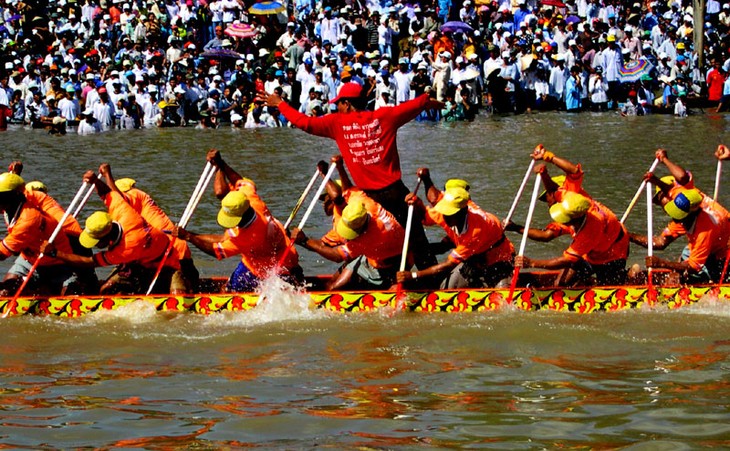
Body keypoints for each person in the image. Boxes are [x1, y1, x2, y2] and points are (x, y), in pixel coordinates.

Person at [266, 81, 442, 272]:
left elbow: (305, 123)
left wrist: (280, 104)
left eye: (339, 103)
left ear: (348, 103)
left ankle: (413, 277)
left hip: (368, 197)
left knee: (382, 238)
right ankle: (428, 278)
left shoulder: (336, 123)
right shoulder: (385, 116)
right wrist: (428, 101)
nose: (337, 107)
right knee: (416, 239)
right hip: (395, 193)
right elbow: (416, 104)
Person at [42, 165, 186, 295]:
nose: (96, 246)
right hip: (139, 263)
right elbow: (106, 193)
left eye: (96, 241)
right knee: (107, 290)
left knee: (177, 296)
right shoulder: (123, 212)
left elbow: (87, 261)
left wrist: (55, 253)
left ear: (106, 237)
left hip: (169, 262)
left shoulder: (123, 251)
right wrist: (96, 181)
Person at [175, 152, 304, 292]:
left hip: (273, 268)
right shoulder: (250, 199)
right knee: (226, 287)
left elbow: (216, 251)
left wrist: (188, 237)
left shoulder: (245, 237)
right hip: (278, 254)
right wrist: (221, 164)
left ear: (240, 217)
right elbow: (238, 180)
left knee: (229, 292)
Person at [512, 146, 629, 286]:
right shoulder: (569, 199)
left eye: (547, 198)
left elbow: (567, 259)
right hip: (591, 251)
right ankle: (584, 283)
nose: (548, 201)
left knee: (609, 286)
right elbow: (547, 235)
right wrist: (545, 164)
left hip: (613, 252)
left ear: (572, 219)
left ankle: (629, 275)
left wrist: (532, 263)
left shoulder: (588, 231)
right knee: (561, 284)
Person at [291, 156, 405, 290]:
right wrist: (338, 168)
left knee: (333, 288)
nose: (325, 204)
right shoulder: (363, 203)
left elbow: (338, 256)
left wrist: (304, 241)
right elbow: (342, 194)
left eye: (326, 200)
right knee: (332, 282)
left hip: (387, 264)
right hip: (391, 251)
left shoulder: (365, 239)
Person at [396, 169, 515, 289]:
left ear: (463, 211)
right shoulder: (446, 213)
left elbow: (448, 264)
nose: (445, 217)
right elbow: (425, 216)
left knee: (500, 292)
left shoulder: (475, 231)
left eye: (450, 214)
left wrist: (414, 275)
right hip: (475, 258)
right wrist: (416, 203)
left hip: (499, 260)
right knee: (446, 287)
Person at [100, 170, 199, 293]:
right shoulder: (130, 215)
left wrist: (107, 175)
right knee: (112, 286)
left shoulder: (134, 195)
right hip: (148, 256)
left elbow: (119, 198)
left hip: (173, 254)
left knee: (185, 288)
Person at [0, 172, 82, 296]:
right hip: (29, 261)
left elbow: (1, 254)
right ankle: (35, 289)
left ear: (13, 196)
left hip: (58, 263)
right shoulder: (11, 206)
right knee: (6, 290)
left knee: (71, 294)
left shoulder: (28, 219)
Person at [629, 187, 730, 284]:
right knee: (678, 268)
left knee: (682, 276)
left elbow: (693, 267)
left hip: (722, 258)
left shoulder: (704, 232)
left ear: (691, 214)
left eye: (678, 214)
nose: (673, 217)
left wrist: (661, 263)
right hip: (708, 247)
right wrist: (629, 236)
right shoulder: (686, 208)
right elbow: (661, 242)